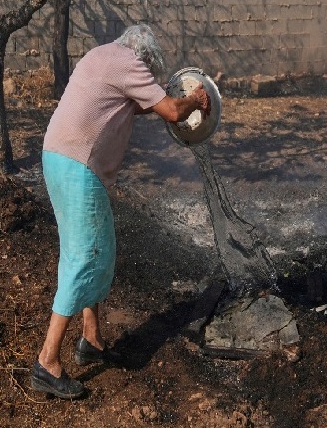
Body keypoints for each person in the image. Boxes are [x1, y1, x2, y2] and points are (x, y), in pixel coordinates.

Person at [31, 24, 211, 399]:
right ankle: (47, 361)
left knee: (90, 251)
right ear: (145, 58)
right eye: (150, 71)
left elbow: (133, 105)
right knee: (86, 257)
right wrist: (196, 99)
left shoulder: (101, 55)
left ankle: (92, 338)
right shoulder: (130, 63)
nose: (148, 76)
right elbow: (172, 111)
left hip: (56, 157)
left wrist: (166, 102)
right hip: (79, 167)